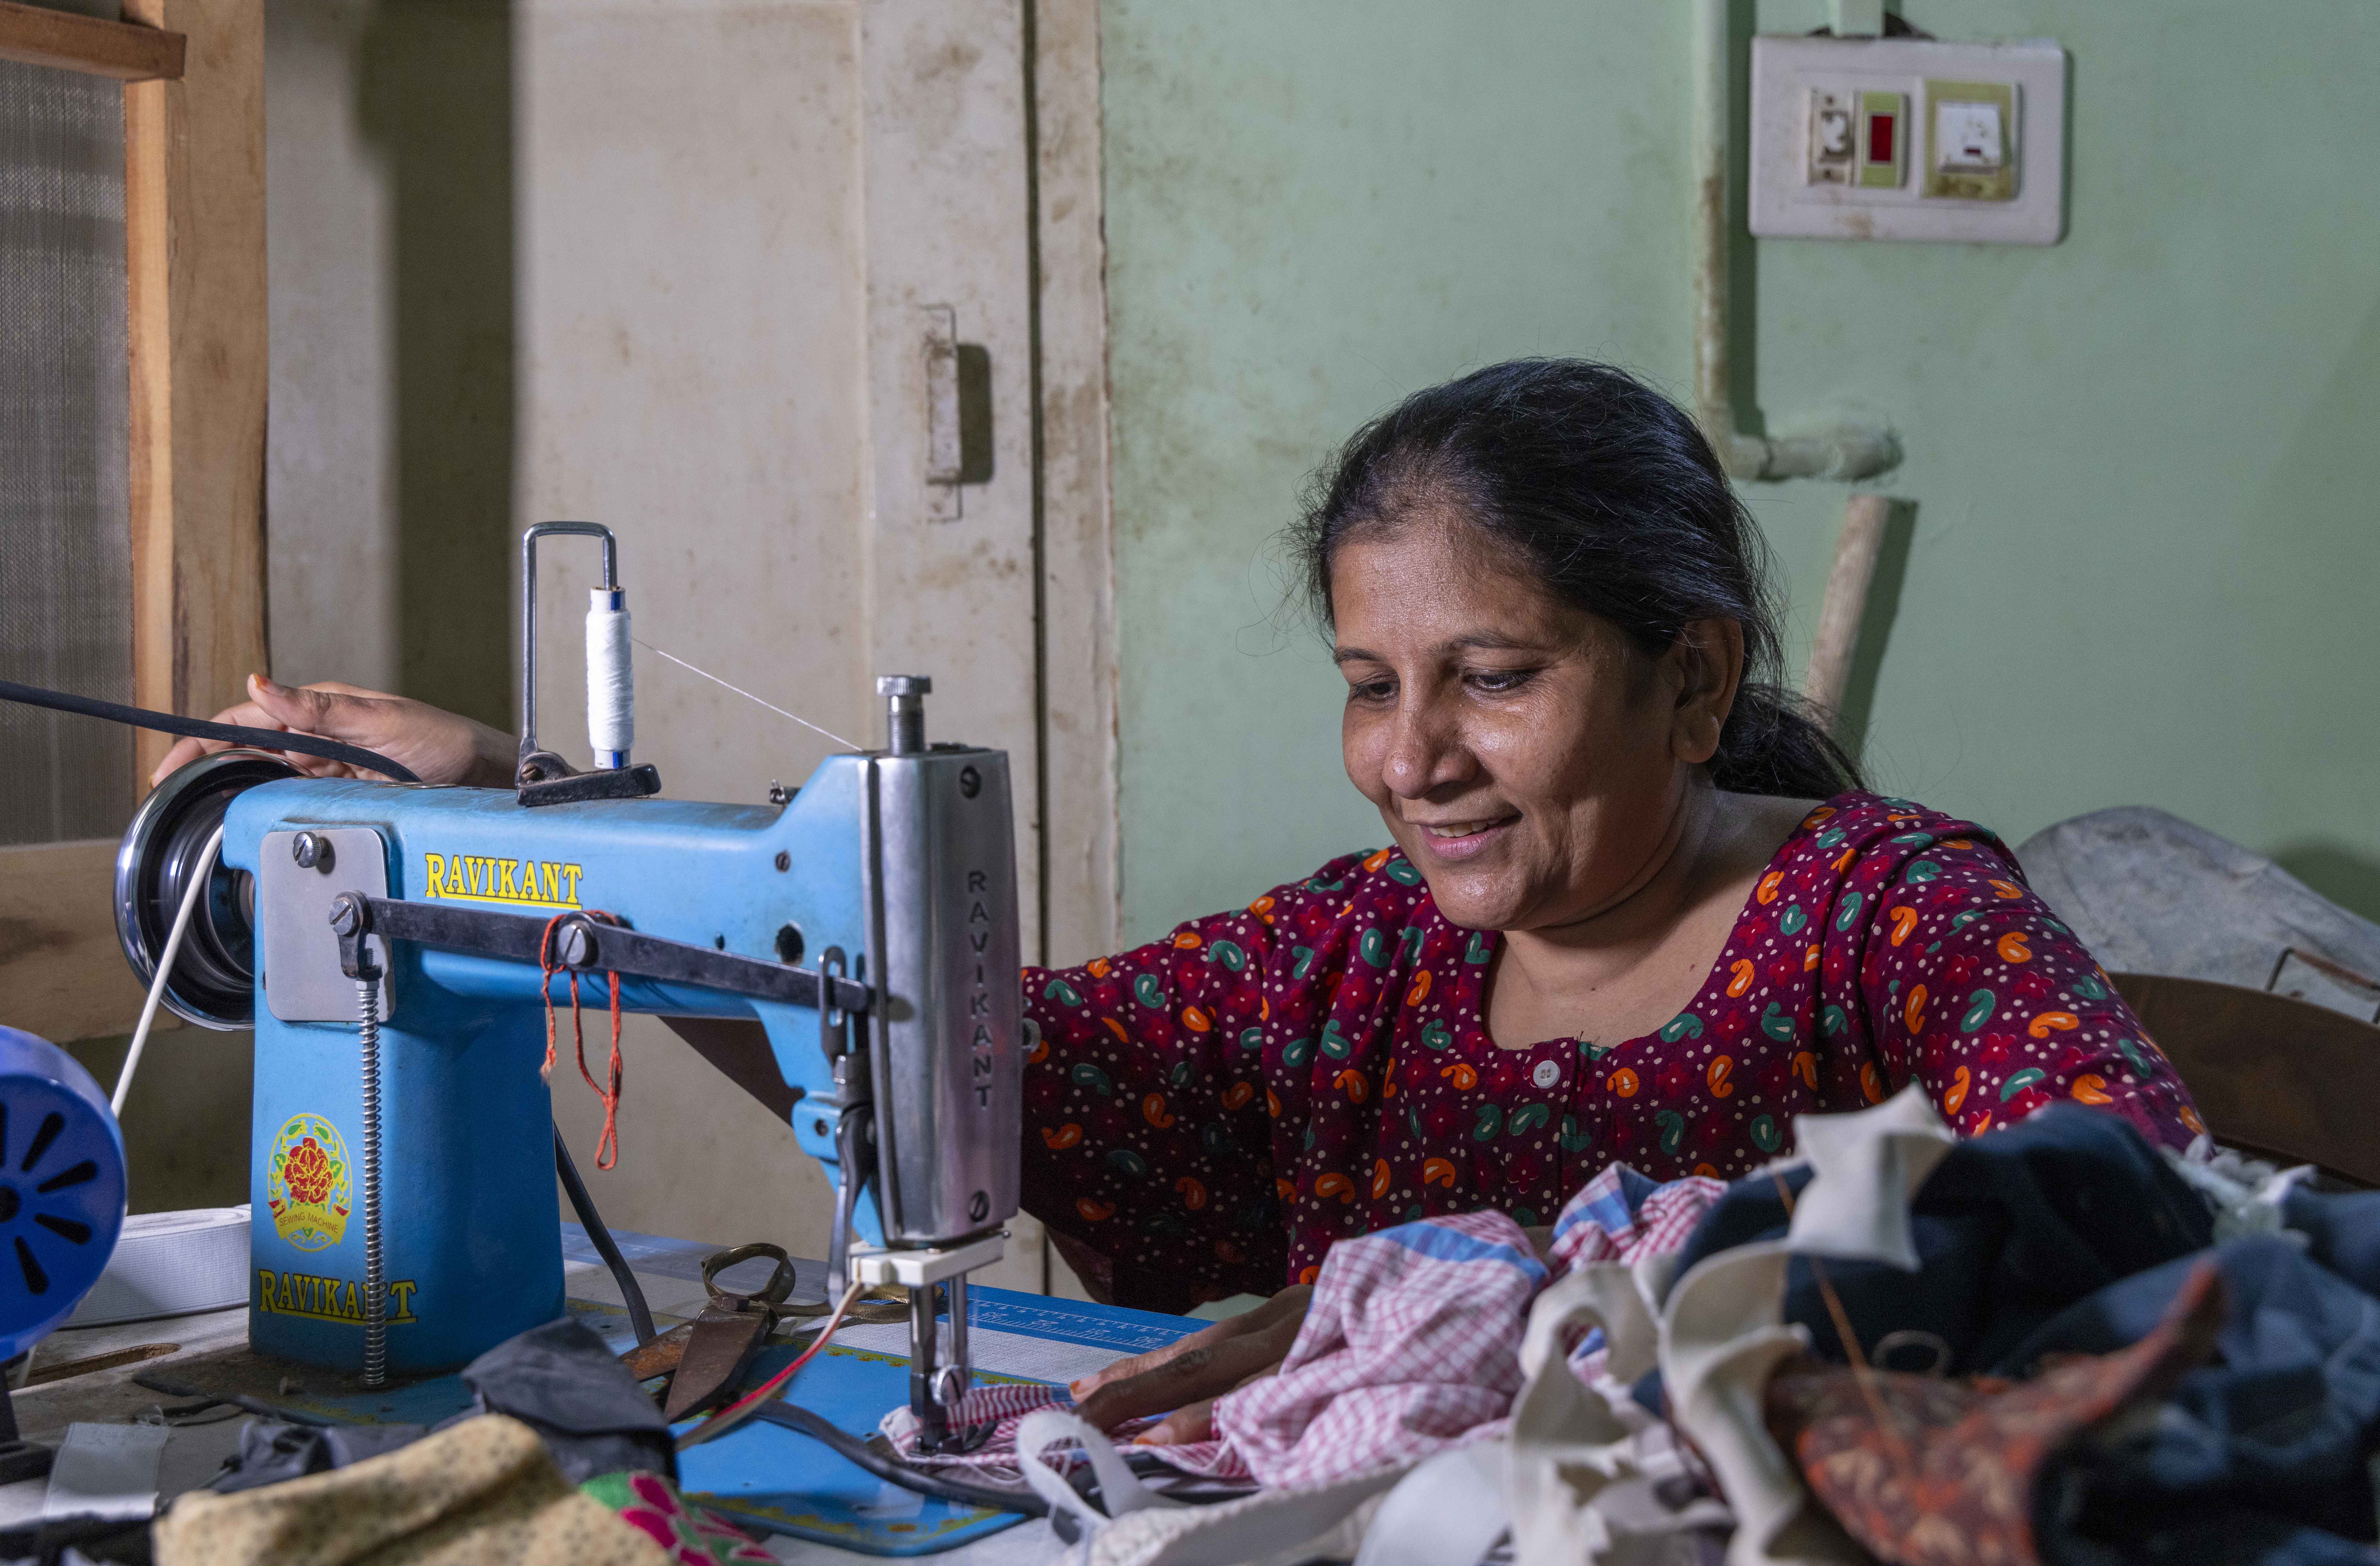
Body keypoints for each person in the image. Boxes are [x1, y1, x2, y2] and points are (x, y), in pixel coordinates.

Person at [156, 359, 2199, 1447]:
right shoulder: (1360, 954)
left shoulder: (1892, 914)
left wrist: (1513, 1291)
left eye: (1496, 675)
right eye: (1369, 686)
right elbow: (968, 1062)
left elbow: (2139, 1221)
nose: (1415, 760)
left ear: (1689, 671)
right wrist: (526, 816)